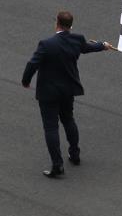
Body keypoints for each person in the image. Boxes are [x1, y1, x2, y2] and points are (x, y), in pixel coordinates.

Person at [21, 10, 115, 178]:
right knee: (68, 119)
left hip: (48, 92)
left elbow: (32, 64)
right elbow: (87, 47)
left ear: (56, 22)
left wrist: (26, 81)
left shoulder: (46, 44)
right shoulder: (76, 39)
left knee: (51, 127)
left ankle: (57, 165)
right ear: (71, 25)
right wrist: (103, 45)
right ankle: (75, 154)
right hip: (68, 90)